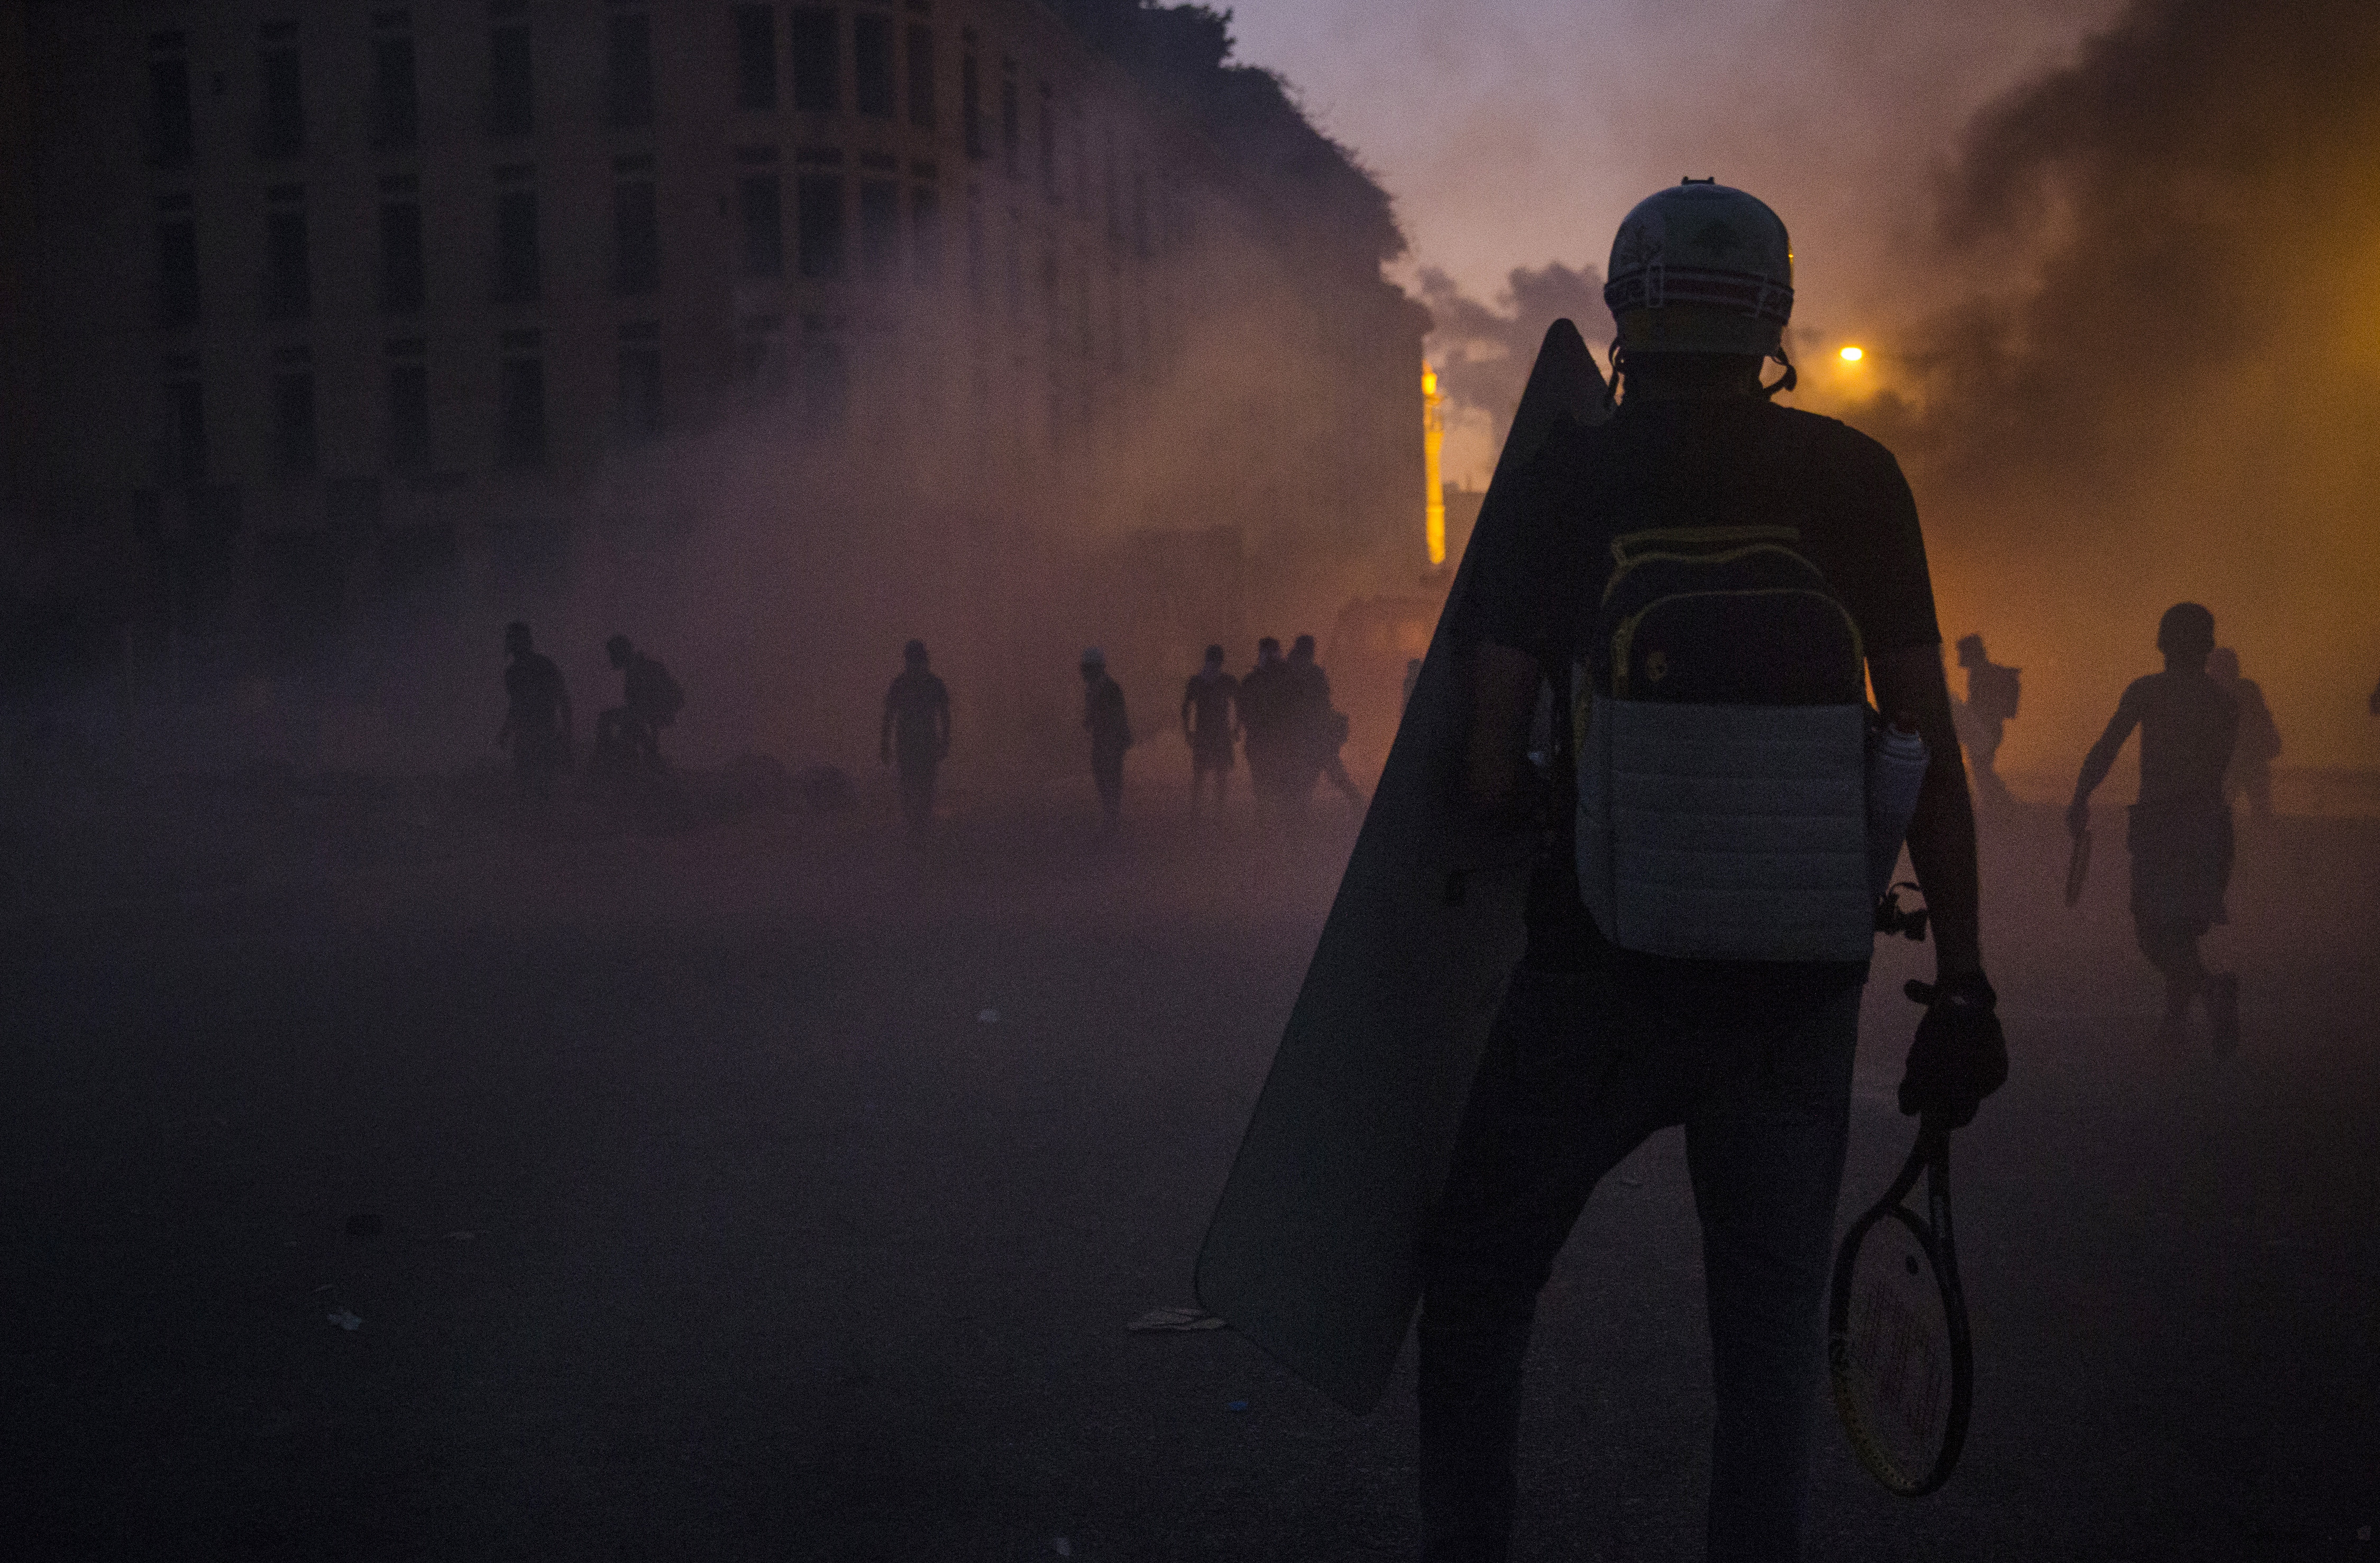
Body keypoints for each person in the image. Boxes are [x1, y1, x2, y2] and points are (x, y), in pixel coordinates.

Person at [1421, 179, 2002, 1563]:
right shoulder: (1851, 477)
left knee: (1481, 1284)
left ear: (1625, 310)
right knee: (1763, 1348)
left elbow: (1492, 771)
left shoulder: (1562, 481)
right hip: (1795, 988)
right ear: (1773, 318)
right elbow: (1924, 748)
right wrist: (1965, 982)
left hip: (1595, 976)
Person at [2069, 603, 2240, 1053]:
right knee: (2182, 928)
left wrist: (2081, 795)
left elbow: (2107, 748)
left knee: (2152, 930)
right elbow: (2218, 769)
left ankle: (2205, 990)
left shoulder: (2148, 691)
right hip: (2209, 826)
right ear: (2207, 647)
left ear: (2163, 642)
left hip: (2164, 824)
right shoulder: (2224, 704)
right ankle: (2174, 1024)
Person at [880, 639, 951, 834]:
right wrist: (945, 741)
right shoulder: (934, 684)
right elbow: (944, 716)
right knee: (923, 785)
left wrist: (885, 744)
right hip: (924, 742)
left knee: (911, 785)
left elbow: (889, 716)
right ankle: (921, 827)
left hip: (909, 742)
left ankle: (914, 827)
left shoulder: (901, 684)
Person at [495, 621, 572, 798]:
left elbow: (563, 700)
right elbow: (517, 706)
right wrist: (506, 731)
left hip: (544, 735)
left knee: (541, 790)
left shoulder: (541, 666)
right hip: (529, 738)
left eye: (515, 639)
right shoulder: (514, 672)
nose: (513, 644)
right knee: (530, 791)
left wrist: (567, 737)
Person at [1286, 632, 1362, 808]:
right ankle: (1357, 803)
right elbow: (1322, 702)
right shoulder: (1312, 672)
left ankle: (1296, 814)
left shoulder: (1293, 670)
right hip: (1314, 732)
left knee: (1309, 777)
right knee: (1329, 773)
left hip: (1307, 732)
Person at [2209, 646, 2280, 820]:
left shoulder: (2213, 691)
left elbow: (2262, 717)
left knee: (2228, 805)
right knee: (2258, 807)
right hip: (2244, 757)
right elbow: (2263, 717)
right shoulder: (2246, 688)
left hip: (2237, 758)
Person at [594, 633, 683, 770]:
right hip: (653, 713)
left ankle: (607, 762)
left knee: (608, 721)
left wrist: (650, 741)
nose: (611, 659)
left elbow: (648, 705)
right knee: (627, 730)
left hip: (654, 712)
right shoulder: (639, 666)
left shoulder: (639, 669)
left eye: (612, 654)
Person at [1952, 632, 2020, 806]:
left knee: (1982, 770)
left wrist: (1962, 714)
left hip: (1986, 731)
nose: (1960, 656)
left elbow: (1979, 705)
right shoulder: (1982, 671)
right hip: (1990, 730)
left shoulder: (1980, 674)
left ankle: (2002, 803)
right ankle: (1998, 803)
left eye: (1962, 652)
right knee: (1982, 769)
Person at [1180, 644, 1240, 818]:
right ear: (1222, 661)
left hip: (1204, 733)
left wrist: (1187, 732)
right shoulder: (1227, 681)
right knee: (1220, 776)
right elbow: (1240, 705)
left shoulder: (1197, 681)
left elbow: (1186, 708)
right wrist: (1236, 728)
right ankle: (1217, 815)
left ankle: (1196, 813)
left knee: (1200, 776)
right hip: (1220, 734)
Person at [1238, 637, 1292, 818]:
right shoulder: (1255, 680)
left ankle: (1270, 823)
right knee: (1266, 785)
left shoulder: (1253, 680)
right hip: (1267, 741)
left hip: (1270, 741)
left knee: (1268, 784)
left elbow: (1243, 711)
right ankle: (1270, 824)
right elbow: (1243, 711)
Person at [1081, 647, 1131, 832]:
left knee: (1110, 776)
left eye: (1086, 668)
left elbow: (1118, 715)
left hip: (1112, 738)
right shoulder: (1095, 688)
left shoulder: (1109, 688)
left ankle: (1112, 816)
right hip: (1103, 737)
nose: (1083, 672)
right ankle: (1111, 814)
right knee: (1103, 775)